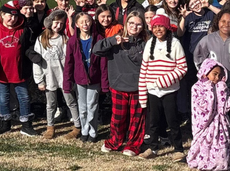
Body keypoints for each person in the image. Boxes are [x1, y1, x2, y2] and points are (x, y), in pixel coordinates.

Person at [94, 11, 149, 156]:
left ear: (142, 26)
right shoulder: (116, 39)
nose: (134, 27)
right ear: (126, 24)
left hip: (138, 86)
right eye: (131, 23)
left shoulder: (146, 42)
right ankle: (114, 141)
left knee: (136, 119)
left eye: (138, 24)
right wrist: (112, 41)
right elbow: (96, 50)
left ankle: (133, 145)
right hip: (118, 85)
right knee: (118, 118)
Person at [139, 12, 189, 160]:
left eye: (161, 26)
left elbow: (182, 68)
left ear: (167, 27)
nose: (158, 29)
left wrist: (163, 81)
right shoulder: (149, 43)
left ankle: (178, 149)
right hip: (152, 91)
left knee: (172, 121)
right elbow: (144, 69)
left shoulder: (175, 44)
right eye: (155, 27)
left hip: (169, 90)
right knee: (153, 122)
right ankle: (153, 148)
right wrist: (143, 94)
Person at [0, 0, 40, 137]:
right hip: (1, 72)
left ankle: (26, 125)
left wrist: (34, 57)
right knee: (3, 98)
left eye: (15, 16)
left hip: (19, 71)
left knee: (24, 98)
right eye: (9, 16)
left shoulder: (23, 30)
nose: (12, 19)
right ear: (2, 15)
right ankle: (5, 123)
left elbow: (28, 47)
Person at [33, 10, 78, 140]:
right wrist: (39, 80)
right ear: (50, 22)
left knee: (71, 102)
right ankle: (50, 127)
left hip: (64, 77)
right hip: (49, 77)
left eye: (61, 24)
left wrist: (70, 77)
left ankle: (77, 126)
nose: (58, 26)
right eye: (56, 23)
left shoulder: (64, 39)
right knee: (50, 104)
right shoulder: (41, 39)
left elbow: (70, 60)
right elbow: (37, 61)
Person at [64, 10, 107, 143]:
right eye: (81, 22)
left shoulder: (99, 39)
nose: (85, 24)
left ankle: (93, 132)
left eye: (87, 21)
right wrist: (67, 83)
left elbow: (103, 64)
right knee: (82, 108)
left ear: (92, 22)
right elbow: (68, 64)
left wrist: (104, 84)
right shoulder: (72, 42)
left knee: (92, 106)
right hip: (80, 80)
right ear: (76, 24)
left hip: (94, 80)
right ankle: (84, 130)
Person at [186, 59, 230, 171]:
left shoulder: (222, 87)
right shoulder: (197, 88)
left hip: (220, 125)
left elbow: (224, 108)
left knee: (220, 145)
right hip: (204, 125)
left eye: (220, 75)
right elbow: (205, 110)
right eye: (214, 74)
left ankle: (220, 163)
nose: (217, 78)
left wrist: (222, 90)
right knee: (204, 145)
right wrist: (209, 90)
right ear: (205, 72)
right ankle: (202, 161)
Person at [194, 8, 230, 89]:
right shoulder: (208, 40)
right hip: (214, 87)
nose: (226, 24)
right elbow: (198, 59)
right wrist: (205, 75)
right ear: (218, 22)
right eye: (223, 21)